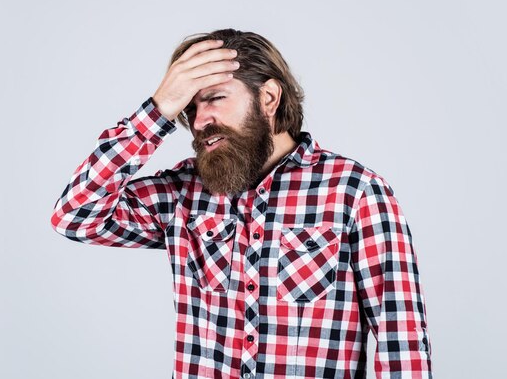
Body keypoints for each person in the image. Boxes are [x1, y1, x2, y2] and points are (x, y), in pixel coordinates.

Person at [50, 28, 433, 379]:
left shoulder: (356, 192)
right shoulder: (184, 193)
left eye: (214, 99)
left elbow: (401, 342)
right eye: (188, 109)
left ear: (268, 97)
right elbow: (74, 216)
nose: (200, 121)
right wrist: (158, 110)